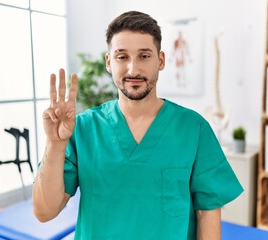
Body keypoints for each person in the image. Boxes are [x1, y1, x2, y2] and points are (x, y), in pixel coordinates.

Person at [33, 10, 243, 240]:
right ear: (108, 62)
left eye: (144, 56)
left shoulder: (194, 129)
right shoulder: (82, 129)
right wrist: (54, 143)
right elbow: (44, 211)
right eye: (122, 57)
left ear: (160, 60)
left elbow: (207, 211)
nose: (133, 70)